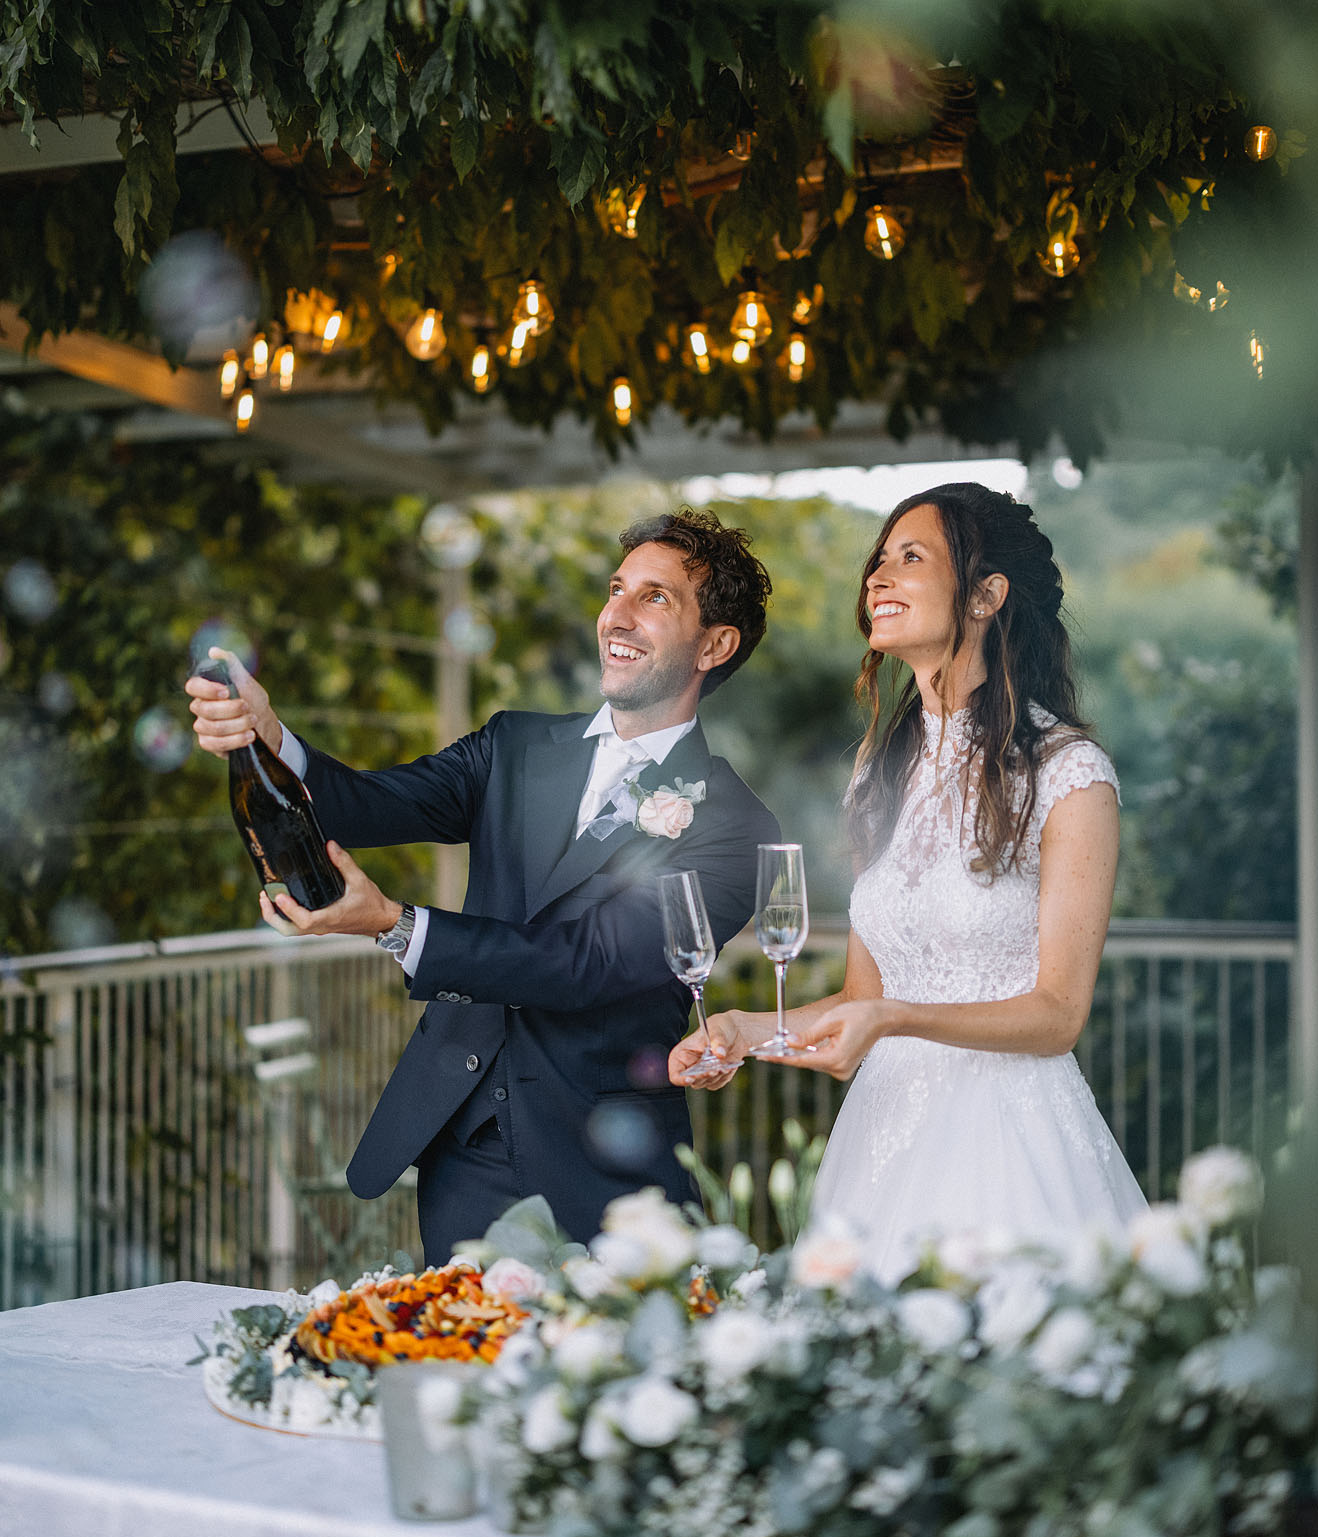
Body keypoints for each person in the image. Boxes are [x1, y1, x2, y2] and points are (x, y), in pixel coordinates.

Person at [187, 508, 779, 1255]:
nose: (617, 616)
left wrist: (395, 925)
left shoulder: (737, 826)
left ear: (715, 644)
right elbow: (369, 803)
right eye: (615, 589)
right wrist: (272, 738)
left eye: (655, 597)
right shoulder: (514, 745)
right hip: (461, 1147)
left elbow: (586, 963)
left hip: (605, 1170)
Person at [669, 482, 1146, 1280]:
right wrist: (750, 1029)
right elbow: (865, 995)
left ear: (986, 595)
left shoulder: (1069, 772)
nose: (877, 578)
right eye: (879, 558)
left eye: (911, 557)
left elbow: (1058, 1016)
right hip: (882, 1134)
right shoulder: (877, 771)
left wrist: (894, 1018)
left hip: (1009, 1142)